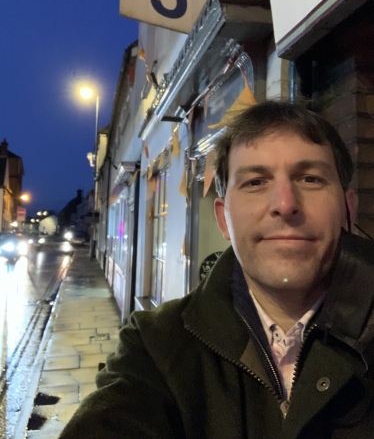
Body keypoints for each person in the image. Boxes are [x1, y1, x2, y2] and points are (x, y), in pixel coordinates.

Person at [59, 101, 374, 439]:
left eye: (310, 178)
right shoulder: (156, 345)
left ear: (348, 210)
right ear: (224, 219)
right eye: (255, 182)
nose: (285, 204)